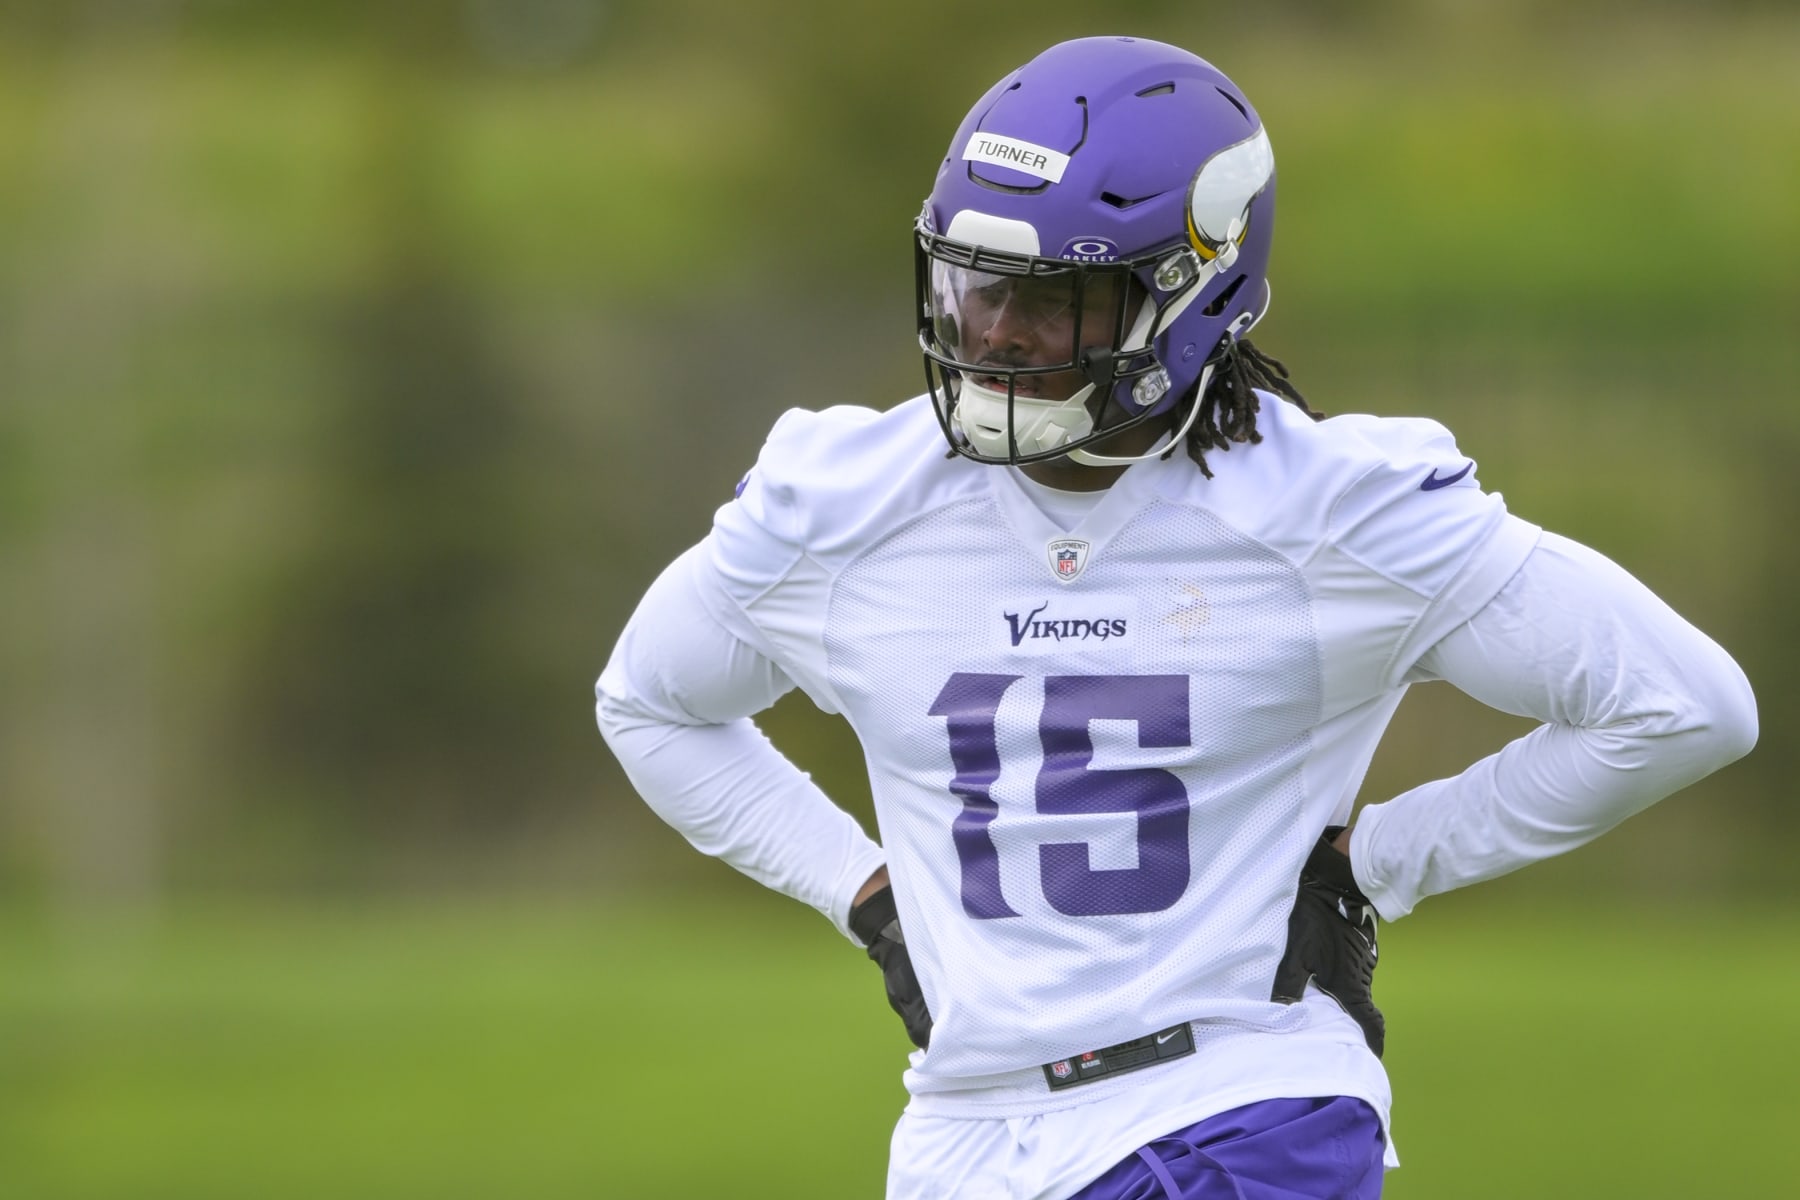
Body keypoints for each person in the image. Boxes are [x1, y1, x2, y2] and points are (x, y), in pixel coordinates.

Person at [596, 35, 1757, 1200]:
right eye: (977, 284)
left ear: (1192, 294)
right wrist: (861, 893)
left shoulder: (1334, 510)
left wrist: (1388, 861)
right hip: (964, 1131)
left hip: (1242, 1106)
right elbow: (650, 704)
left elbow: (1681, 706)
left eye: (1053, 301)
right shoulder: (847, 501)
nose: (997, 333)